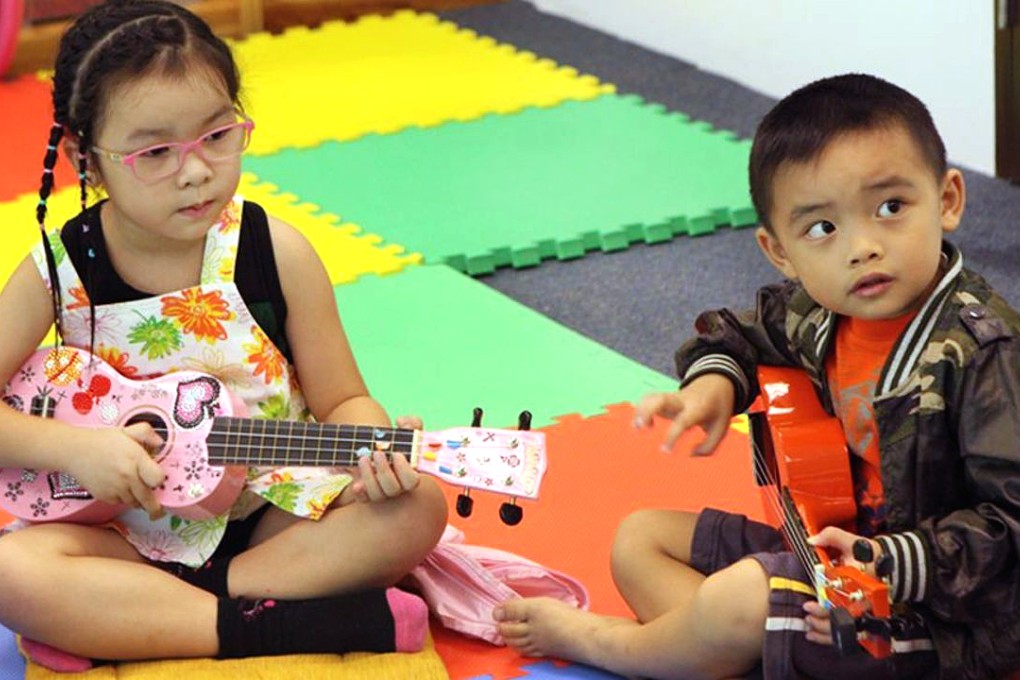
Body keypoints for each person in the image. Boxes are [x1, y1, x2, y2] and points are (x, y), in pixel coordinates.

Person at [493, 74, 1020, 680]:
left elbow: (1009, 524)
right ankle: (723, 649)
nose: (862, 246)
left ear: (948, 199)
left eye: (891, 207)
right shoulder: (817, 309)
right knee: (639, 539)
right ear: (780, 252)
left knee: (738, 600)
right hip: (819, 544)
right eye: (822, 228)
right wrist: (713, 383)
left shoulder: (985, 355)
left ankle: (611, 644)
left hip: (941, 614)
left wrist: (889, 559)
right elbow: (734, 334)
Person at [0, 0, 448, 665]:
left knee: (420, 509)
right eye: (155, 151)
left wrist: (368, 465)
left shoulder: (277, 253)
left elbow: (343, 400)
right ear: (83, 157)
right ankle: (282, 625)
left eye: (217, 136)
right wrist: (74, 451)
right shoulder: (55, 273)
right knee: (11, 573)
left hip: (276, 518)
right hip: (125, 535)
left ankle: (156, 612)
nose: (196, 170)